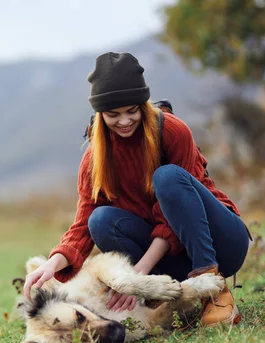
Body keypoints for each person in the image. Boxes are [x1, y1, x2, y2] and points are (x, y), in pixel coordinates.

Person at [23, 52, 250, 326]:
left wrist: (138, 274)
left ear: (144, 105)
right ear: (99, 114)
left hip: (221, 242)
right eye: (113, 115)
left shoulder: (173, 131)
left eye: (132, 110)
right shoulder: (94, 160)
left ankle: (215, 292)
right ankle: (165, 299)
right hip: (174, 259)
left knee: (167, 178)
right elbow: (83, 224)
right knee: (101, 220)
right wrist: (52, 262)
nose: (124, 121)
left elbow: (175, 215)